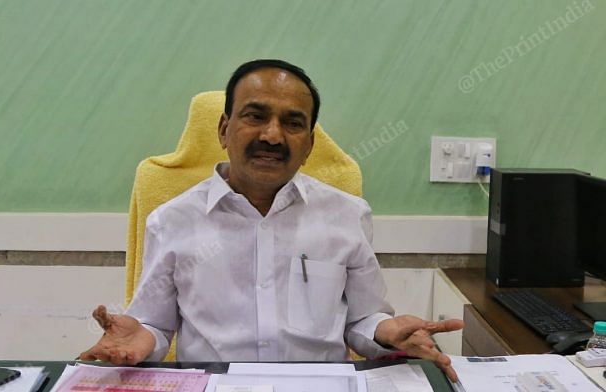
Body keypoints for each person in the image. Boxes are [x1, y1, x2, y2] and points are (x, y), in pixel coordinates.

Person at [80, 59, 464, 381]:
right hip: (218, 386)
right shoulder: (172, 220)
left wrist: (387, 332)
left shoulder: (347, 214)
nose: (273, 135)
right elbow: (157, 327)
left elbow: (363, 319)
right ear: (224, 129)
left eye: (293, 123)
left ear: (309, 144)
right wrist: (141, 337)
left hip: (320, 387)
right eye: (255, 116)